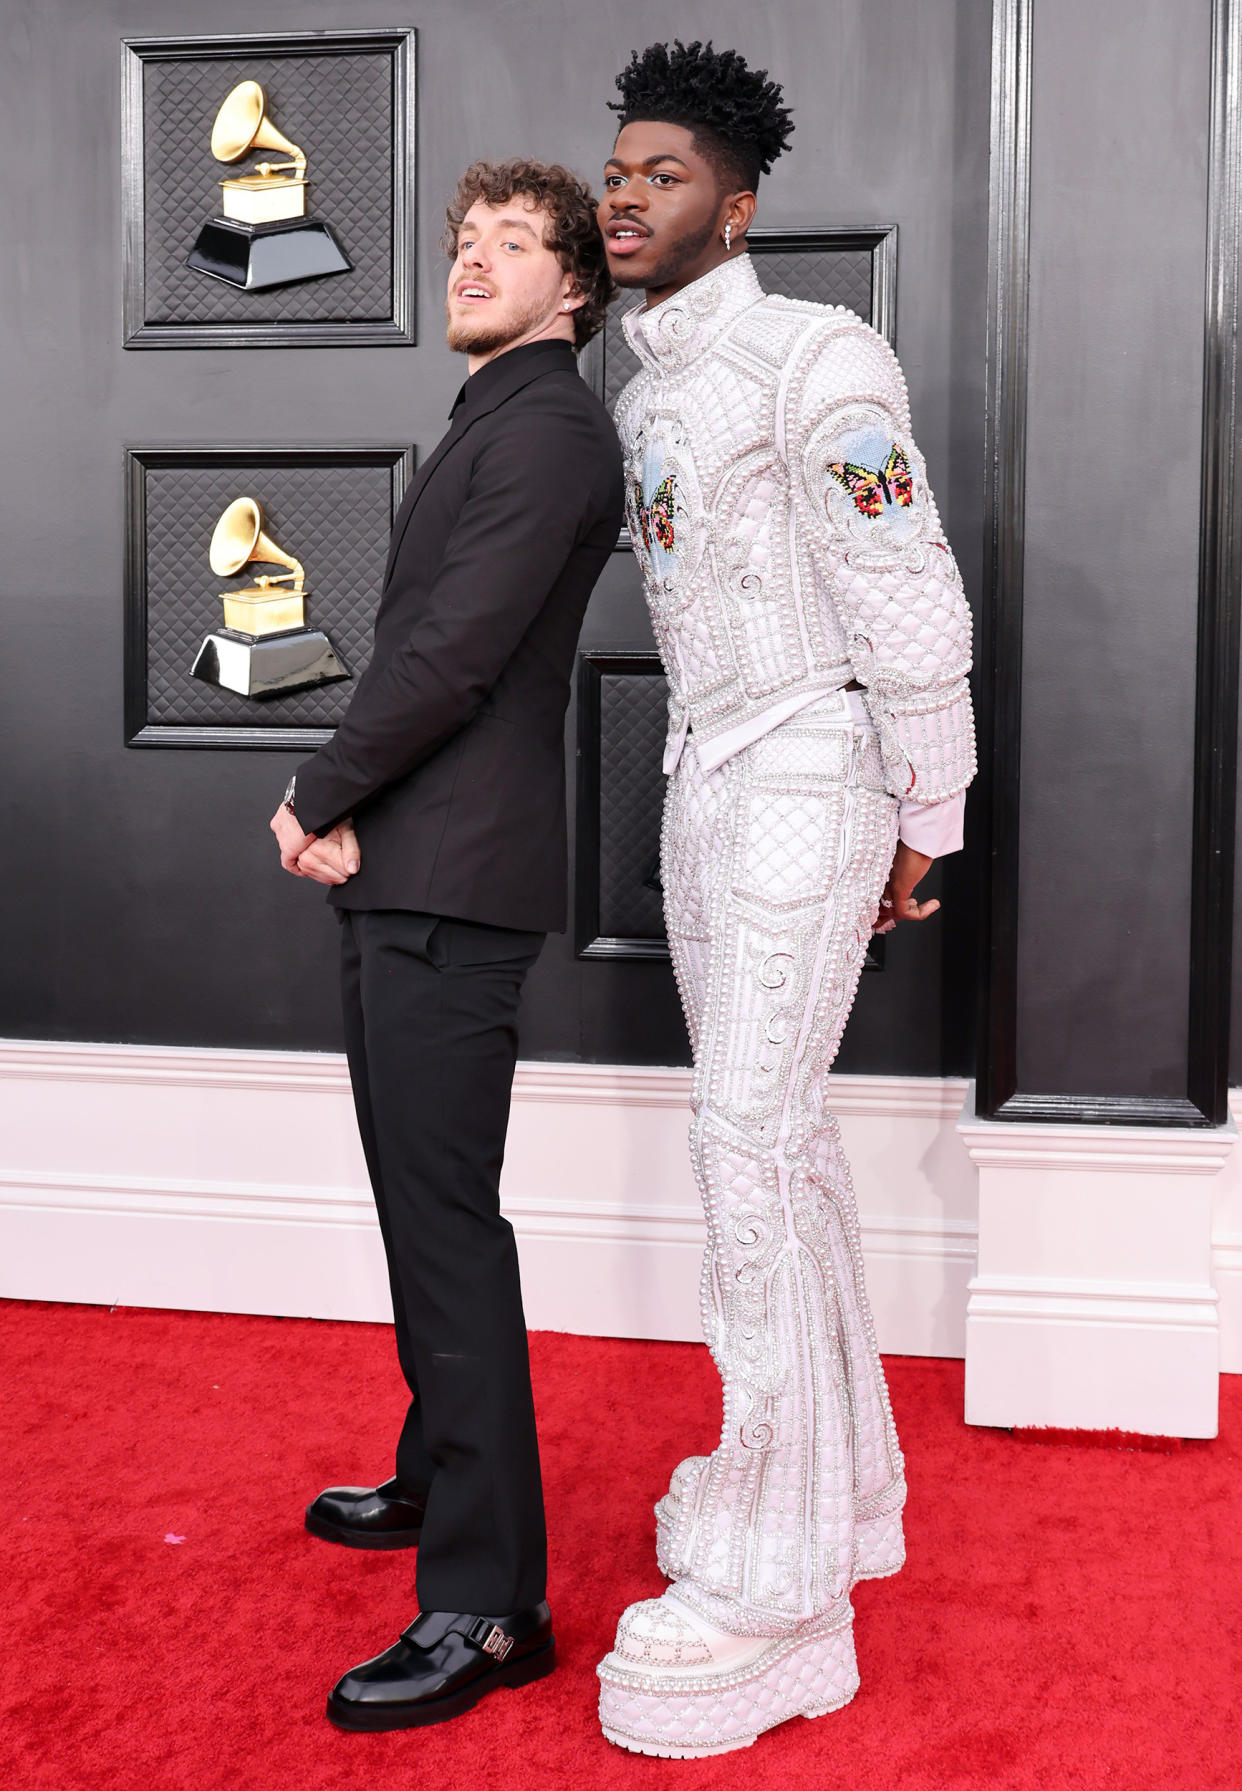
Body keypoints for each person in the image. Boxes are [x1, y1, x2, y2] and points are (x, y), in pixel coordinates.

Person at [592, 41, 975, 1758]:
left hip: (811, 769)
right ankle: (839, 1497)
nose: (622, 194)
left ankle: (774, 1582)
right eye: (615, 172)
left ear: (734, 209)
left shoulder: (815, 354)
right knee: (775, 1141)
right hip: (702, 777)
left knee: (747, 1146)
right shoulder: (640, 385)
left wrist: (929, 801)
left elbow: (901, 576)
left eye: (661, 175)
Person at [268, 159, 623, 1733]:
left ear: (576, 289)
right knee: (421, 1214)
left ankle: (490, 1606)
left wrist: (319, 791)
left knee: (448, 1232)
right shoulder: (497, 421)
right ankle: (433, 1479)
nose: (472, 262)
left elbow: (456, 658)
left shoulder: (549, 431)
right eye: (463, 241)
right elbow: (423, 647)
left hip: (450, 882)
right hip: (408, 865)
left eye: (513, 245)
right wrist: (353, 819)